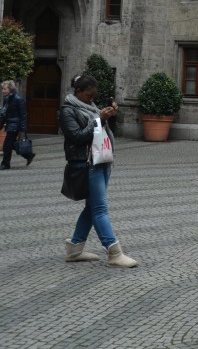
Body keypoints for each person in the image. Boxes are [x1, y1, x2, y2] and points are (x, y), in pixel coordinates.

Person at [59, 74, 136, 267]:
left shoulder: (91, 108)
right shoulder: (67, 110)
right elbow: (77, 137)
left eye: (94, 96)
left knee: (91, 207)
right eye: (89, 95)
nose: (92, 99)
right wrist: (99, 120)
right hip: (85, 164)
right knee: (99, 209)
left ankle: (75, 249)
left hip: (99, 160)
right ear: (78, 92)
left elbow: (98, 133)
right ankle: (114, 252)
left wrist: (109, 117)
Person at [2, 80, 33, 168]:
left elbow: (23, 115)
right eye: (2, 89)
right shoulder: (6, 99)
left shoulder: (18, 99)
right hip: (10, 125)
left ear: (10, 89)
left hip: (15, 125)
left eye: (4, 89)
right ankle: (28, 155)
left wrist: (23, 129)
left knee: (7, 146)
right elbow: (5, 114)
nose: (3, 91)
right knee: (11, 144)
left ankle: (5, 164)